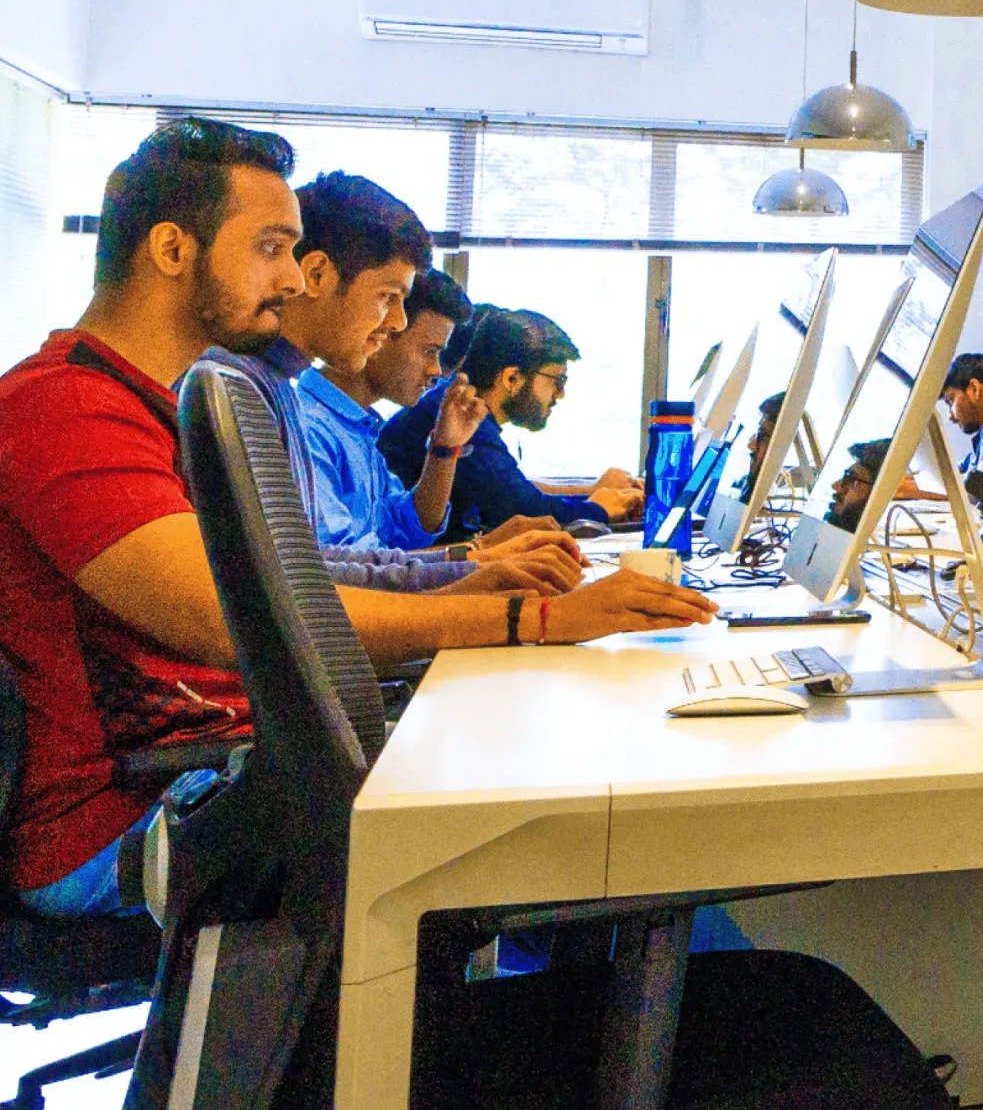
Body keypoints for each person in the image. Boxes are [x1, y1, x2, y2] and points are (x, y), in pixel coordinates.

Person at [0, 118, 717, 920]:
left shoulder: (160, 408)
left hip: (224, 763)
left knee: (556, 776)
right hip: (131, 819)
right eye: (270, 249)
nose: (293, 279)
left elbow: (287, 576)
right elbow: (228, 616)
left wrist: (486, 600)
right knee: (548, 816)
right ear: (172, 250)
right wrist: (532, 617)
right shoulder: (64, 408)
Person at [245, 172, 580, 595]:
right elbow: (325, 583)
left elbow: (398, 534)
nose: (394, 322)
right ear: (316, 276)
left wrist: (471, 550)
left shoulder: (303, 403)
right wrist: (479, 570)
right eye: (387, 297)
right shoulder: (271, 402)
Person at [378, 308, 645, 536]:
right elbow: (524, 509)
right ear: (511, 379)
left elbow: (512, 488)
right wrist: (598, 509)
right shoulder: (458, 415)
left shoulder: (462, 408)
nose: (560, 395)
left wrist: (597, 495)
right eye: (557, 381)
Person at [898, 353, 983, 501]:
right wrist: (907, 481)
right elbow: (949, 475)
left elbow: (981, 491)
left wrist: (910, 490)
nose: (950, 416)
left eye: (950, 401)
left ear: (974, 388)